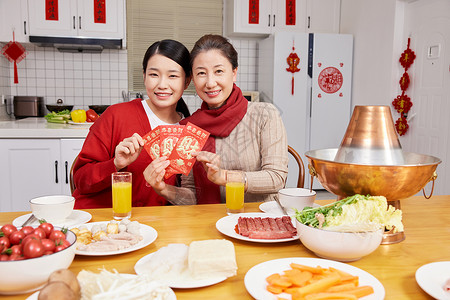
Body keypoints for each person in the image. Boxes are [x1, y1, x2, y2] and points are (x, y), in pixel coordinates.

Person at [144, 34, 288, 204]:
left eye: (219, 71)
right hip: (210, 221)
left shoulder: (264, 114)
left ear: (234, 73)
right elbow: (192, 197)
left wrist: (224, 177)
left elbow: (277, 177)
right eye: (201, 73)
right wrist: (163, 189)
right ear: (193, 79)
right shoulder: (191, 128)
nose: (210, 83)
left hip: (259, 219)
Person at [72, 39, 191, 208]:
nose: (162, 85)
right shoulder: (116, 115)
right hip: (102, 221)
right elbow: (81, 180)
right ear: (144, 76)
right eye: (153, 74)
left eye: (173, 76)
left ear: (186, 81)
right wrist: (115, 164)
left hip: (152, 228)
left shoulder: (189, 133)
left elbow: (185, 196)